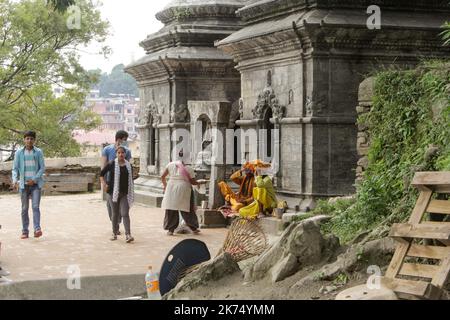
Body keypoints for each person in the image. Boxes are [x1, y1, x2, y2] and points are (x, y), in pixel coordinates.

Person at [161, 150, 207, 236]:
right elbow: (193, 182)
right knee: (187, 208)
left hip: (171, 188)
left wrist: (165, 186)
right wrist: (200, 182)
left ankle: (170, 230)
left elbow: (162, 176)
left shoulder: (170, 165)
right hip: (184, 188)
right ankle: (194, 228)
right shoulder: (189, 169)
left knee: (171, 208)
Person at [12, 131, 46, 239]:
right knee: (24, 209)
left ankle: (37, 229)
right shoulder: (19, 153)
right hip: (23, 185)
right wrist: (14, 180)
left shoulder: (38, 152)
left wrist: (35, 179)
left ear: (34, 140)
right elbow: (15, 169)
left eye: (31, 138)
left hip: (35, 184)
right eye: (27, 138)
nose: (29, 140)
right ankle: (25, 231)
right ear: (24, 140)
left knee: (35, 207)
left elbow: (42, 168)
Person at [100, 146, 135, 243]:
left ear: (125, 154)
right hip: (112, 193)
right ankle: (114, 233)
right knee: (115, 214)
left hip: (124, 193)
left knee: (125, 213)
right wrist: (104, 184)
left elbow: (130, 179)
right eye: (119, 153)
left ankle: (128, 234)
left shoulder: (129, 166)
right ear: (116, 154)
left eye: (122, 152)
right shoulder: (111, 164)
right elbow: (101, 174)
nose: (121, 154)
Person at [101, 130, 132, 235]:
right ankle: (115, 225)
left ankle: (119, 227)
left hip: (122, 184)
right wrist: (104, 183)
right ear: (119, 138)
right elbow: (103, 166)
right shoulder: (107, 149)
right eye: (124, 139)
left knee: (122, 209)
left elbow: (129, 166)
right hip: (110, 183)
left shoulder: (126, 151)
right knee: (111, 207)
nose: (125, 142)